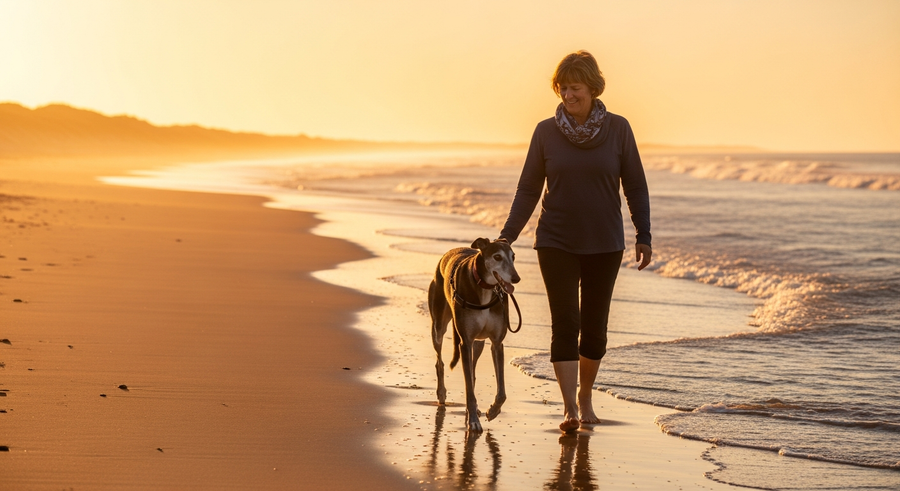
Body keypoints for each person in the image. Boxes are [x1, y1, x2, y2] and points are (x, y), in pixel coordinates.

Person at [499, 50, 652, 433]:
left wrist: (643, 234)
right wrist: (507, 236)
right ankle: (569, 407)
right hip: (556, 241)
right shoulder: (545, 132)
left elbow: (635, 184)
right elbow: (529, 188)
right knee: (565, 324)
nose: (568, 95)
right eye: (563, 88)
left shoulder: (618, 129)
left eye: (575, 87)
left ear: (593, 88)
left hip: (605, 243)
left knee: (595, 329)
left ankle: (585, 396)